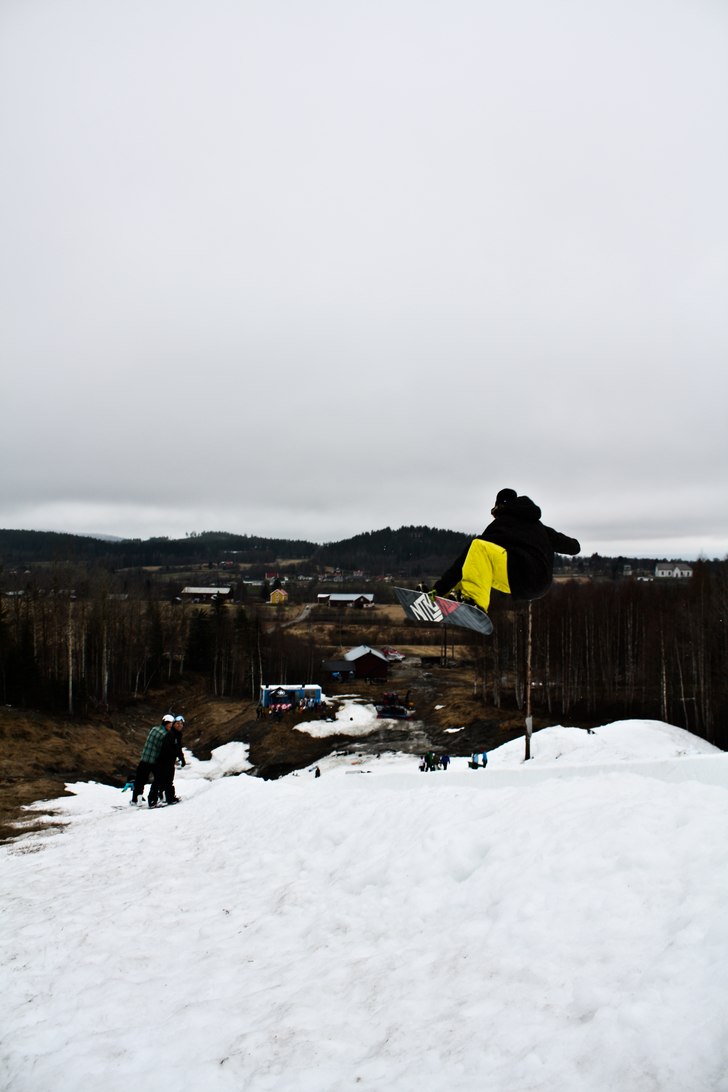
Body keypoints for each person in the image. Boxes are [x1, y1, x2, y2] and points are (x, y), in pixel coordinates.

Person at [427, 488, 580, 614]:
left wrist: (438, 588)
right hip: (541, 585)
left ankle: (472, 601)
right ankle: (456, 595)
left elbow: (464, 560)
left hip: (521, 576)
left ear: (499, 509)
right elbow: (574, 547)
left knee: (477, 548)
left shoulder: (501, 524)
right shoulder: (541, 528)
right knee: (478, 570)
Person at [131, 715, 174, 804]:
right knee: (160, 779)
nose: (171, 726)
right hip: (155, 761)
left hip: (144, 759)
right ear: (166, 723)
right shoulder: (165, 735)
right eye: (171, 724)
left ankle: (136, 799)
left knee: (140, 780)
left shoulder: (154, 729)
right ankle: (161, 796)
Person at [148, 717, 179, 808]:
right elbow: (166, 748)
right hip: (163, 761)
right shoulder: (168, 734)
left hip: (167, 761)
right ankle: (153, 800)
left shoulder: (172, 734)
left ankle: (170, 798)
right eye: (171, 723)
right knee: (159, 780)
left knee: (168, 780)